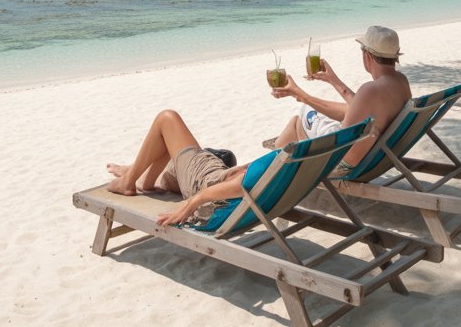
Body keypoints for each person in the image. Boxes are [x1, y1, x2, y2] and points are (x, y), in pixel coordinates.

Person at [264, 26, 411, 174]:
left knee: (301, 116)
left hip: (342, 161)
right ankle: (278, 151)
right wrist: (332, 80)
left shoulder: (371, 90)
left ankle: (274, 167)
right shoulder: (400, 81)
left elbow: (341, 138)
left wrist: (300, 94)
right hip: (377, 156)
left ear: (368, 55)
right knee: (306, 116)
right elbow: (355, 108)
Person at [106, 109, 255, 226]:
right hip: (215, 176)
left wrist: (195, 201)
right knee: (178, 147)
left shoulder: (261, 171)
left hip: (209, 181)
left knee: (166, 118)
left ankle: (128, 180)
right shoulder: (269, 174)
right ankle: (139, 175)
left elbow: (239, 183)